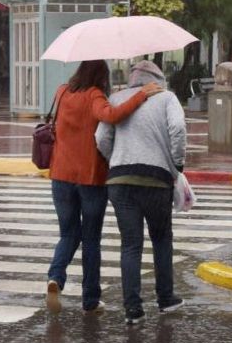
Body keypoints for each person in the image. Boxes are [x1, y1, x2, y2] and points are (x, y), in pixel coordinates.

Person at [45, 59, 161, 314]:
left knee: (67, 234)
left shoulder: (63, 91)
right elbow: (111, 116)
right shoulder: (94, 95)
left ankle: (55, 276)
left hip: (61, 176)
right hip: (90, 178)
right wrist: (141, 95)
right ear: (101, 76)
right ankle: (90, 300)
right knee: (91, 239)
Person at [95, 60, 187, 325]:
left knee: (131, 244)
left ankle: (133, 309)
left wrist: (117, 158)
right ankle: (165, 298)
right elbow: (178, 129)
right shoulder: (167, 98)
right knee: (161, 238)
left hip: (121, 180)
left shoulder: (116, 98)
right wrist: (177, 163)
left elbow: (101, 138)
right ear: (157, 79)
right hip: (157, 179)